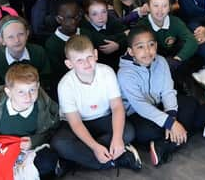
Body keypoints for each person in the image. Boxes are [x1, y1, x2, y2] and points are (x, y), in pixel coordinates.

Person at [50, 35, 141, 172]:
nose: (86, 63)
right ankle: (116, 159)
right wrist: (95, 147)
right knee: (59, 143)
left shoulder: (107, 72)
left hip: (103, 117)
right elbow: (75, 123)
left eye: (89, 57)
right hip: (77, 123)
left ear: (96, 54)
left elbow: (117, 107)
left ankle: (79, 159)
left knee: (128, 132)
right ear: (69, 64)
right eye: (79, 60)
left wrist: (117, 138)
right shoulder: (65, 85)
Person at [0, 64, 62, 177]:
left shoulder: (45, 106)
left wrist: (34, 141)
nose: (28, 97)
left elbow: (52, 129)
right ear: (8, 92)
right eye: (21, 92)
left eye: (32, 90)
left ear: (38, 86)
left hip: (26, 152)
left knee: (48, 160)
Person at [118, 25, 198, 166]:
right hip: (137, 113)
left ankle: (163, 145)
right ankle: (174, 138)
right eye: (140, 47)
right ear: (131, 51)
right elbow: (141, 106)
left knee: (191, 104)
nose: (147, 51)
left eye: (151, 45)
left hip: (158, 105)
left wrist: (171, 117)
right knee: (146, 132)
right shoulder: (125, 73)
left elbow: (168, 91)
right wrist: (170, 123)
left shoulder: (161, 61)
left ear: (156, 45)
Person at [137, 0, 199, 88]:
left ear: (169, 8)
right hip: (153, 61)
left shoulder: (175, 21)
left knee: (184, 47)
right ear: (148, 7)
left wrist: (177, 59)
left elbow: (192, 41)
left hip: (173, 59)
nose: (160, 10)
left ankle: (182, 84)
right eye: (156, 5)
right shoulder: (142, 26)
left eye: (164, 6)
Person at [0, 15, 50, 96]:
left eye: (21, 34)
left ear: (27, 34)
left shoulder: (39, 52)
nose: (17, 40)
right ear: (2, 40)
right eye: (10, 37)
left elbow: (46, 81)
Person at [79, 0, 128, 71]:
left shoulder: (111, 19)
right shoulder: (84, 28)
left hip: (119, 65)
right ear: (87, 17)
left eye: (103, 12)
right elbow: (103, 42)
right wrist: (124, 35)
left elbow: (131, 37)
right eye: (95, 14)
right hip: (97, 68)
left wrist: (118, 45)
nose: (100, 17)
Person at [44, 0, 83, 87]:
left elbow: (104, 41)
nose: (74, 22)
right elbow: (59, 72)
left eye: (77, 17)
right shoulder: (52, 44)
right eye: (69, 18)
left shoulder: (85, 33)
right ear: (58, 19)